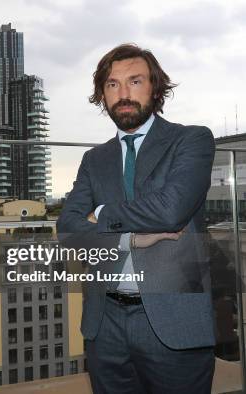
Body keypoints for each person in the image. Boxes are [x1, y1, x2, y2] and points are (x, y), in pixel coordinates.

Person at [57, 43, 216, 393]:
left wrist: (100, 213)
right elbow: (68, 230)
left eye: (135, 81)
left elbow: (171, 209)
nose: (123, 94)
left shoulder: (191, 140)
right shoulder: (93, 160)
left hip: (173, 320)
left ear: (156, 88)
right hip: (104, 322)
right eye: (112, 85)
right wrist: (130, 239)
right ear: (102, 94)